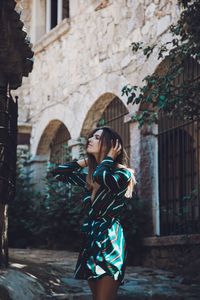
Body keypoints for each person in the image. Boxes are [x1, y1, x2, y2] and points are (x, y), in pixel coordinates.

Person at [52, 126, 136, 300]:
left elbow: (102, 177)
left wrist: (108, 158)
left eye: (96, 137)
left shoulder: (122, 174)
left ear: (111, 145)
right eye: (91, 137)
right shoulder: (89, 178)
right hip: (91, 239)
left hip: (110, 239)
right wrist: (87, 160)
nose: (90, 139)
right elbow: (58, 173)